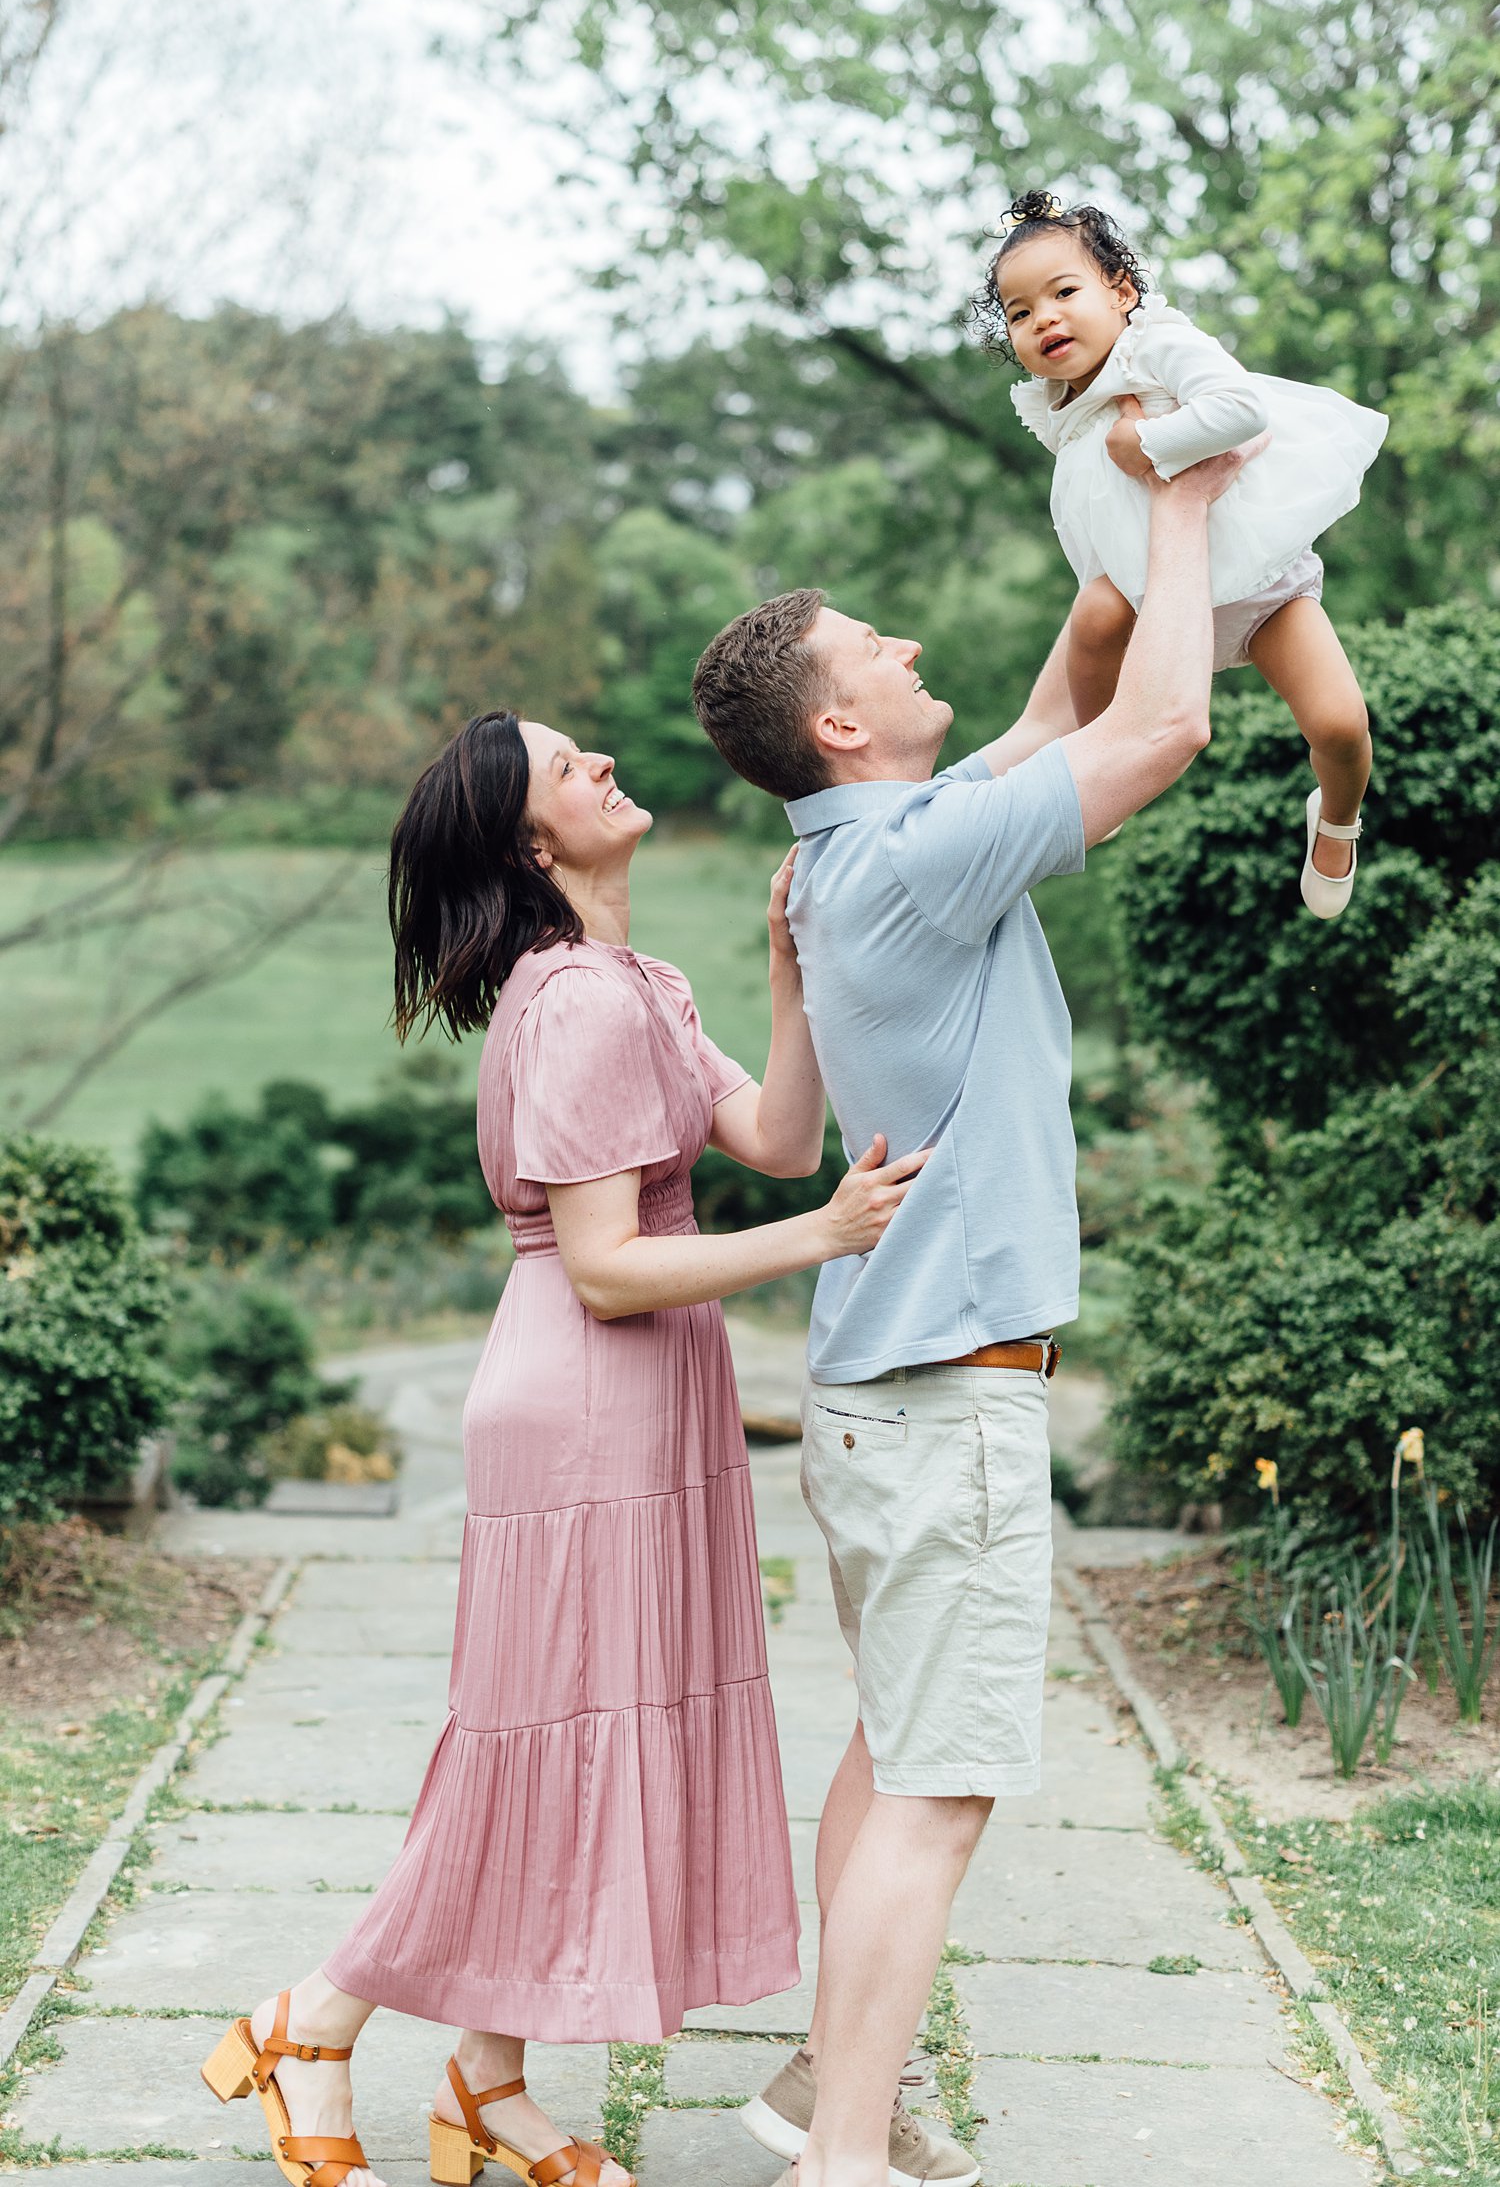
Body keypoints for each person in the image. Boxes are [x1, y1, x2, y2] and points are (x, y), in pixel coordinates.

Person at [200, 710, 929, 2187]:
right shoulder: (584, 1003)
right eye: (566, 767)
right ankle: (316, 2015)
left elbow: (782, 1134)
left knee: (572, 1732)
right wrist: (824, 1240)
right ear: (538, 845)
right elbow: (605, 1262)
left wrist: (790, 979)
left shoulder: (631, 981)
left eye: (587, 746)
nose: (600, 762)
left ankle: (486, 2080)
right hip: (587, 1395)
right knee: (535, 1745)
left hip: (638, 1398)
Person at [688, 429, 1258, 2187]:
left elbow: (1071, 696)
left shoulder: (890, 842)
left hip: (892, 1398)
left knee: (896, 1753)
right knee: (940, 1793)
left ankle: (818, 2086)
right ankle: (844, 2157)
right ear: (840, 726)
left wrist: (1114, 534)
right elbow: (1157, 734)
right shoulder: (922, 861)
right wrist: (1187, 506)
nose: (913, 651)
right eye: (880, 651)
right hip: (949, 1408)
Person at [977, 187, 1387, 917]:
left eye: (1064, 291)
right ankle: (1108, 766)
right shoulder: (1052, 401)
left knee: (1340, 725)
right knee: (1094, 616)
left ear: (1122, 291)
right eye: (1020, 311)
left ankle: (1337, 817)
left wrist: (1148, 444)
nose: (1044, 317)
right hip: (1150, 599)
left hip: (1256, 585)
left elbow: (1241, 408)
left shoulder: (1155, 345)